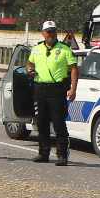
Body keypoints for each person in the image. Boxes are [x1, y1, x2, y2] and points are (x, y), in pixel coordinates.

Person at [26, 19, 79, 165]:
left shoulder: (64, 49)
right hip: (40, 88)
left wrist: (73, 88)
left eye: (53, 31)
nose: (51, 34)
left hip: (57, 89)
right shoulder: (36, 49)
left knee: (58, 123)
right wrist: (29, 69)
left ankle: (62, 155)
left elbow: (74, 68)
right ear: (43, 33)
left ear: (56, 32)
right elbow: (30, 63)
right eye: (48, 32)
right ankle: (43, 153)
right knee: (41, 123)